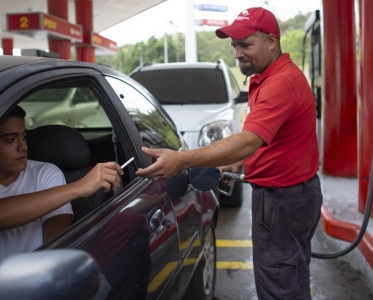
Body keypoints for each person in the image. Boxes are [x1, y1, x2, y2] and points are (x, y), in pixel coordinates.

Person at [136, 7, 323, 300]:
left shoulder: (280, 83)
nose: (237, 53)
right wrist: (232, 163)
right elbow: (267, 142)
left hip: (282, 200)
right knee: (291, 277)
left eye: (245, 44)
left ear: (271, 41)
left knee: (277, 284)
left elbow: (249, 140)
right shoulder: (268, 76)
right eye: (235, 46)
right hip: (293, 196)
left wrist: (182, 159)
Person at [0, 105, 123, 280]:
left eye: (24, 136)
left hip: (38, 282)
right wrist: (79, 187)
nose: (23, 146)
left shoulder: (46, 173)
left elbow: (57, 240)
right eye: (10, 140)